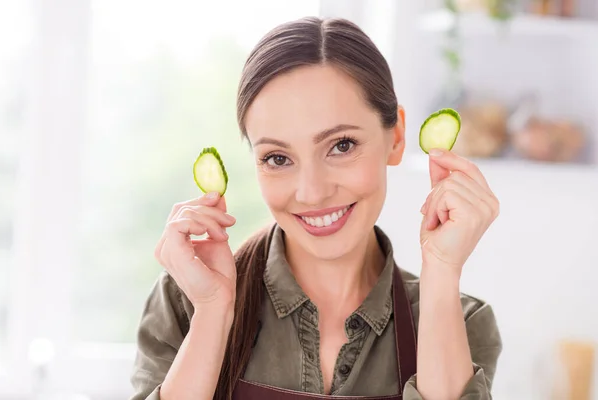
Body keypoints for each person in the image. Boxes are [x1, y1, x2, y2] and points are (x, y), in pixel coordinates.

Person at [129, 16, 502, 400]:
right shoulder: (185, 301)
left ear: (396, 138)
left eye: (341, 145)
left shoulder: (462, 322)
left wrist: (441, 270)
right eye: (277, 158)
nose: (311, 193)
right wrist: (212, 313)